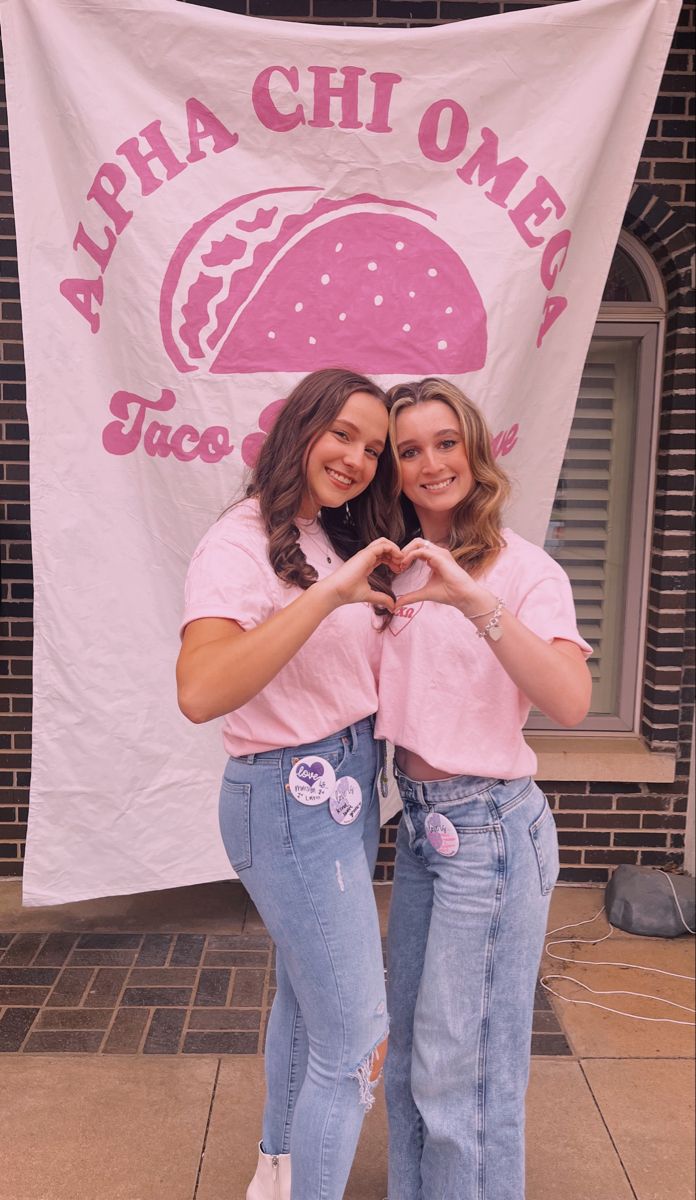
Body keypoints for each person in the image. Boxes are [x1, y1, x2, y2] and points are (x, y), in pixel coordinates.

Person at [176, 368, 400, 1200]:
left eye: (373, 447)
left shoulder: (328, 536)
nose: (357, 457)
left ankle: (277, 1174)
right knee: (355, 1043)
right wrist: (332, 596)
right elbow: (201, 691)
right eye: (343, 433)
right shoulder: (239, 540)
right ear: (301, 427)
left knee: (310, 1007)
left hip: (346, 786)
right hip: (287, 797)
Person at [377, 377, 592, 1200]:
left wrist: (476, 602)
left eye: (444, 441)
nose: (431, 463)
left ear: (474, 448)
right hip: (423, 830)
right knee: (408, 1065)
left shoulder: (526, 570)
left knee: (460, 1068)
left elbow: (570, 702)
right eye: (409, 450)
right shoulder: (392, 571)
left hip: (492, 831)